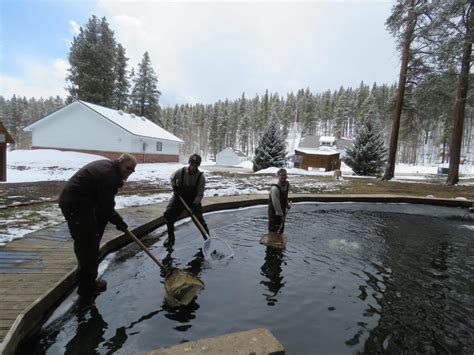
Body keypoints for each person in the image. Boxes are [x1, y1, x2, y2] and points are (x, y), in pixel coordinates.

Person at [59, 153, 137, 297]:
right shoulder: (109, 176)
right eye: (128, 168)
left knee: (91, 240)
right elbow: (107, 207)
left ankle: (87, 281)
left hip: (84, 203)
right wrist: (120, 223)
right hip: (76, 205)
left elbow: (103, 207)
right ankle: (86, 287)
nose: (130, 172)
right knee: (88, 245)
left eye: (133, 170)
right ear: (121, 163)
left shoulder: (110, 168)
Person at [163, 154, 209, 247]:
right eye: (192, 163)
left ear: (198, 165)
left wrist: (194, 205)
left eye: (196, 164)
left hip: (193, 201)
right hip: (179, 198)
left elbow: (200, 194)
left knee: (199, 221)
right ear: (189, 163)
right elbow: (172, 178)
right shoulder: (181, 171)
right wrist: (174, 187)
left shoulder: (201, 177)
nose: (193, 165)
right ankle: (170, 238)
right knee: (169, 215)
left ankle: (208, 240)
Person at [268, 168, 291, 233]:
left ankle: (279, 240)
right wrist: (281, 216)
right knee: (274, 230)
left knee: (281, 230)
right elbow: (276, 203)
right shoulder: (275, 188)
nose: (284, 177)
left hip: (282, 210)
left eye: (285, 175)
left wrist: (287, 205)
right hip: (274, 212)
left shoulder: (286, 184)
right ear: (278, 176)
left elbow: (285, 196)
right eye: (282, 175)